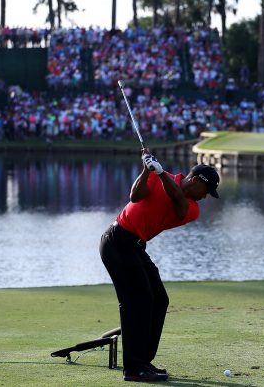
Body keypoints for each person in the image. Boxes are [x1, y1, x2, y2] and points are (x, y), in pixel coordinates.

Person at [99, 149, 220, 382]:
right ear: (196, 181)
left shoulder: (191, 208)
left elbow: (178, 202)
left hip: (135, 246)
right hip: (117, 241)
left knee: (159, 299)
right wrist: (146, 171)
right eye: (206, 191)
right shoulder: (156, 176)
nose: (205, 197)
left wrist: (160, 172)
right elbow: (135, 196)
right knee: (137, 300)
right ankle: (134, 368)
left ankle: (143, 361)